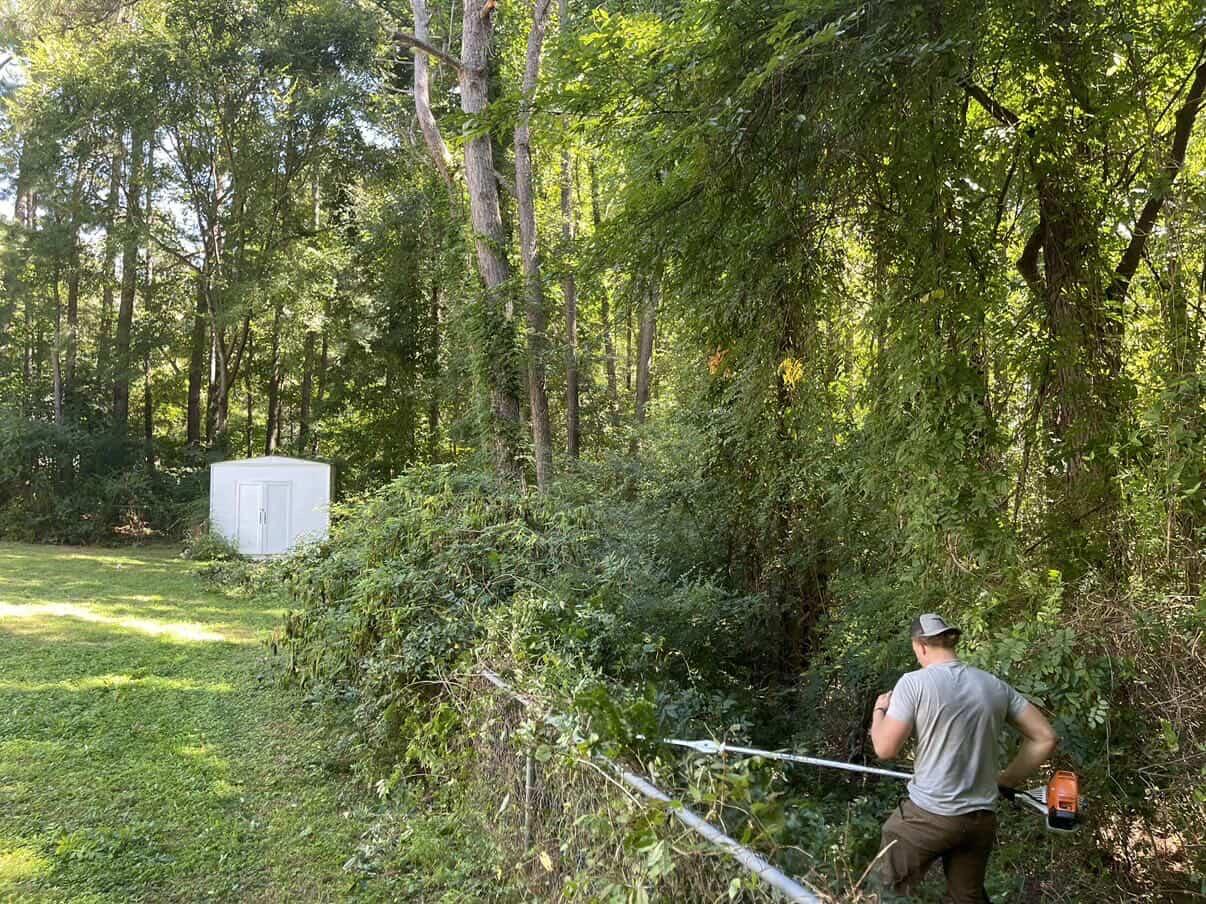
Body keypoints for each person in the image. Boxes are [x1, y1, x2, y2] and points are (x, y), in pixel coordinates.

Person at [867, 613, 1059, 903]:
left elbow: (884, 748)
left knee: (880, 891)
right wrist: (1005, 780)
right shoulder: (993, 685)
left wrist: (879, 711)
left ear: (920, 646)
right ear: (950, 642)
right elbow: (1045, 737)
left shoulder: (913, 683)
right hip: (979, 821)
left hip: (929, 815)